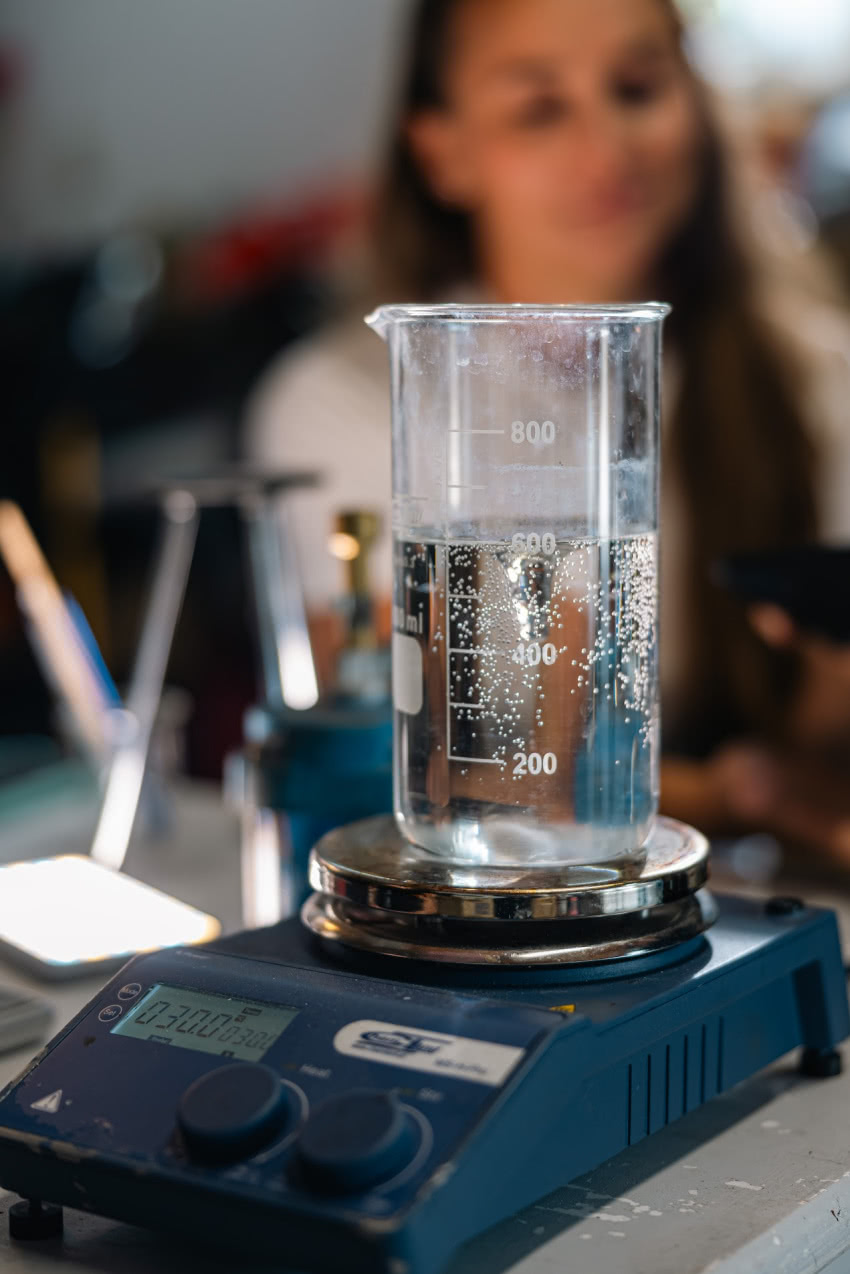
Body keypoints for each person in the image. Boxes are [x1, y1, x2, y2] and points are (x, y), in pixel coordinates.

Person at [247, 0, 850, 861]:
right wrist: (738, 795)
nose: (607, 150)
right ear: (442, 152)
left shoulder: (813, 377)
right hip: (515, 885)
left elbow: (824, 738)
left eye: (636, 88)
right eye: (538, 109)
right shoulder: (351, 399)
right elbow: (474, 768)